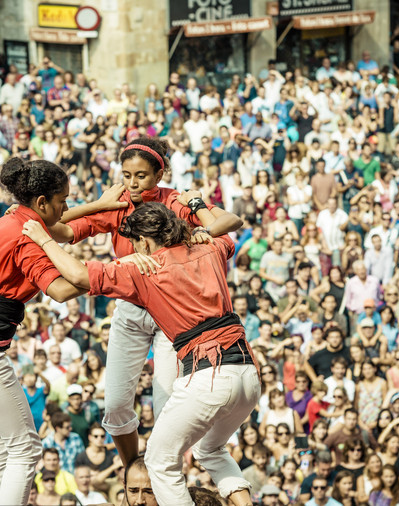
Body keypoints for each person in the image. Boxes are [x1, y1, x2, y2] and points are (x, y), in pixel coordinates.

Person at [22, 202, 259, 505]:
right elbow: (229, 225)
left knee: (159, 462)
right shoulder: (209, 247)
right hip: (248, 375)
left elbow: (79, 277)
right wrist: (200, 210)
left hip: (207, 376)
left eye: (134, 243)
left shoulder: (144, 270)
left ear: (144, 242)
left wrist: (44, 240)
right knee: (209, 450)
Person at [42, 137, 241, 467]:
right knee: (116, 404)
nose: (132, 183)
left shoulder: (175, 201)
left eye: (141, 176)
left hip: (170, 315)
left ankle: (164, 474)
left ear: (158, 176)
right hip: (131, 309)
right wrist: (99, 205)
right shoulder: (118, 202)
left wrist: (198, 230)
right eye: (127, 175)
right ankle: (134, 471)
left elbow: (226, 232)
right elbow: (58, 229)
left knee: (167, 405)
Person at [0, 158, 93, 505]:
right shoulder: (27, 238)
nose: (66, 206)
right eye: (63, 200)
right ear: (41, 203)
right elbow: (63, 291)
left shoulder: (12, 217)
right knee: (26, 449)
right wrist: (119, 271)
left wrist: (100, 205)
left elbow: (61, 223)